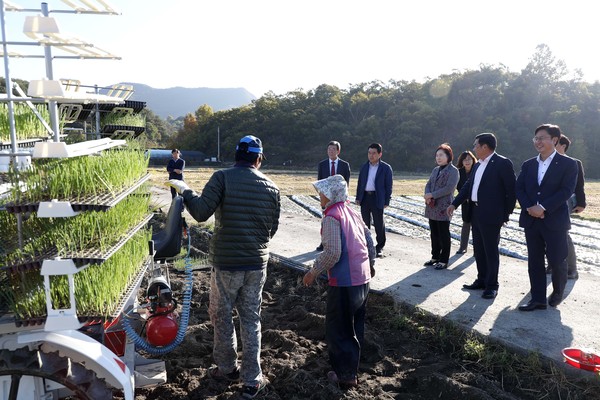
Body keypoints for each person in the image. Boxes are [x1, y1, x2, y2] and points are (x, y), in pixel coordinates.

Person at [166, 135, 280, 398]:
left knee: (222, 315)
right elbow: (272, 229)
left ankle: (227, 368)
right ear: (258, 159)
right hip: (256, 265)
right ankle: (252, 379)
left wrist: (186, 190)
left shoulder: (222, 177)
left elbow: (201, 212)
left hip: (227, 264)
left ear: (236, 156)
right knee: (251, 319)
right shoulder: (272, 187)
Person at [302, 174, 375, 390]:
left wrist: (313, 272)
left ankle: (344, 375)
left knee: (339, 329)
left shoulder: (332, 217)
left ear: (331, 194)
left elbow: (333, 252)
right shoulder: (352, 212)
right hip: (362, 279)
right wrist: (371, 266)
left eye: (322, 192)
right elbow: (369, 242)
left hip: (345, 282)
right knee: (354, 326)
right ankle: (351, 368)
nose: (319, 196)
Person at [516, 124, 578, 311]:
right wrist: (529, 207)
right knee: (534, 260)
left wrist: (543, 207)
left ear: (555, 140)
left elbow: (566, 191)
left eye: (542, 137)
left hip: (554, 220)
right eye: (536, 138)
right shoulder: (528, 164)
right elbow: (519, 188)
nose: (538, 141)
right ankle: (537, 299)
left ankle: (557, 293)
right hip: (531, 219)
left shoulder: (569, 164)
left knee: (557, 259)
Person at [447, 133, 516, 300]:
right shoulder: (478, 166)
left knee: (490, 250)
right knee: (479, 249)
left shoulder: (502, 163)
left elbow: (511, 191)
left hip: (492, 214)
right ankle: (482, 279)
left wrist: (505, 214)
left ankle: (492, 285)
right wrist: (454, 203)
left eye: (475, 145)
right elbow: (467, 187)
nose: (474, 148)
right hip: (476, 212)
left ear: (485, 147)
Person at [545, 134, 585, 280]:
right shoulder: (545, 162)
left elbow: (579, 185)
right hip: (546, 201)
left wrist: (581, 203)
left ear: (563, 146)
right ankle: (552, 264)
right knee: (545, 232)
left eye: (555, 144)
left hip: (566, 201)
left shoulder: (574, 162)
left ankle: (571, 268)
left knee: (562, 233)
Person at [423, 143, 459, 270]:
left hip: (443, 206)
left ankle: (444, 260)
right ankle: (435, 256)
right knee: (434, 233)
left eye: (441, 155)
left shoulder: (453, 171)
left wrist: (432, 195)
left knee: (444, 233)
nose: (438, 158)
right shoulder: (435, 170)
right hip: (432, 206)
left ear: (449, 156)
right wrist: (427, 195)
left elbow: (449, 188)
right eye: (437, 155)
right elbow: (429, 183)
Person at [355, 143, 393, 258]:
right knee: (365, 223)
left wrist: (387, 200)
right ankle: (366, 245)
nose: (371, 155)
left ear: (380, 154)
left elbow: (388, 185)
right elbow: (360, 183)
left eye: (374, 153)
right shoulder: (364, 166)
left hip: (377, 197)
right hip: (365, 197)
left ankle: (379, 246)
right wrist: (358, 197)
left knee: (378, 223)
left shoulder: (386, 168)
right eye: (369, 153)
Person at [316, 140, 351, 251]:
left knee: (339, 221)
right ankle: (324, 243)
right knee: (325, 220)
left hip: (339, 199)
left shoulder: (345, 165)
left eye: (333, 149)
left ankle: (339, 243)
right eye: (329, 149)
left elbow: (346, 184)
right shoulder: (322, 165)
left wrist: (344, 198)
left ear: (338, 151)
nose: (331, 151)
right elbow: (319, 182)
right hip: (326, 198)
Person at [455, 151, 477, 255]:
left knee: (477, 226)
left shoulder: (477, 170)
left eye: (469, 159)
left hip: (477, 202)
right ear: (462, 161)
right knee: (466, 224)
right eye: (465, 159)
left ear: (473, 160)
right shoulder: (459, 173)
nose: (467, 161)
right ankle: (463, 247)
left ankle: (477, 249)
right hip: (465, 202)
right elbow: (459, 188)